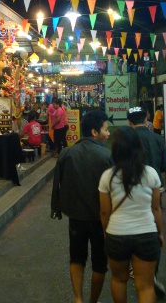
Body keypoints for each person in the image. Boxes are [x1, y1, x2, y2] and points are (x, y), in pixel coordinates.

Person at [51, 111, 113, 303]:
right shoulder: (107, 156)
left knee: (76, 258)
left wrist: (56, 208)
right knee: (99, 263)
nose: (108, 133)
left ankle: (78, 299)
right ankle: (92, 301)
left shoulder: (67, 153)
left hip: (76, 217)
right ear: (95, 132)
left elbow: (56, 184)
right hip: (100, 219)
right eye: (105, 129)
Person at [99, 126, 163, 303]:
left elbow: (105, 211)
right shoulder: (150, 173)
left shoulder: (107, 176)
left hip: (117, 234)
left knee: (119, 280)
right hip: (146, 233)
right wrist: (160, 233)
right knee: (146, 285)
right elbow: (156, 208)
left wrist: (106, 232)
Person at [127, 106, 166, 297]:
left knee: (130, 232)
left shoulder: (125, 139)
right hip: (152, 194)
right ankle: (151, 273)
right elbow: (165, 165)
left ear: (129, 121)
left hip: (127, 194)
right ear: (146, 118)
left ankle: (134, 269)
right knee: (152, 233)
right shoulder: (157, 138)